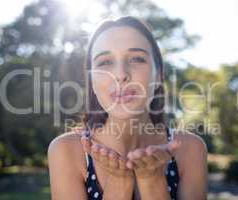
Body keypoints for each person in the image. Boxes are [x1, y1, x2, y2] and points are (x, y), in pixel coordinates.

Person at [48, 16, 208, 200]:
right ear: (91, 80)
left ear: (159, 75)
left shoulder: (189, 149)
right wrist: (119, 182)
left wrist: (152, 181)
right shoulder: (66, 151)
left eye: (137, 59)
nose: (121, 74)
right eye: (105, 62)